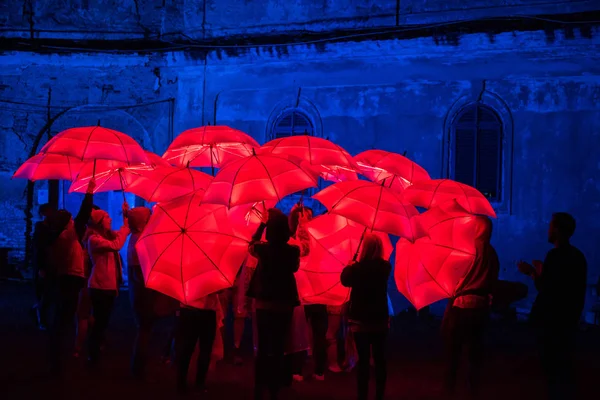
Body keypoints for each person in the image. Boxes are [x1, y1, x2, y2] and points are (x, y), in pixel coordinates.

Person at [518, 212, 587, 400]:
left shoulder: (555, 255)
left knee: (552, 369)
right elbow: (571, 288)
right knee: (564, 367)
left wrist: (533, 272)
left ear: (557, 230)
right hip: (568, 321)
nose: (548, 230)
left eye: (550, 226)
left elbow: (546, 288)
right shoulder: (578, 257)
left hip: (551, 323)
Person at [442, 216, 499, 399]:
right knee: (475, 352)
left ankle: (450, 389)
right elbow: (492, 281)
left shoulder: (467, 250)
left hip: (462, 306)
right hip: (481, 308)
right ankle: (473, 390)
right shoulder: (491, 253)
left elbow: (454, 278)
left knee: (454, 352)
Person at [247, 208, 301, 400]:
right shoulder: (293, 251)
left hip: (264, 302)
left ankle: (259, 387)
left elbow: (251, 244)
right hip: (284, 303)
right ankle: (275, 388)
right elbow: (295, 267)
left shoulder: (262, 249)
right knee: (279, 345)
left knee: (263, 346)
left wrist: (261, 224)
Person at [46, 180, 95, 374]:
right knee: (64, 319)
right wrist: (89, 193)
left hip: (63, 279)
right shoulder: (67, 236)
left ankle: (56, 356)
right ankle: (58, 359)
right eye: (70, 220)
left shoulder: (59, 236)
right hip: (70, 279)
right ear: (67, 223)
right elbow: (83, 216)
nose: (73, 221)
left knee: (62, 318)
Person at [128, 206, 178, 378]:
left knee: (145, 329)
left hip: (142, 293)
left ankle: (139, 367)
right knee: (144, 329)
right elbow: (138, 273)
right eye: (149, 218)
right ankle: (137, 369)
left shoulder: (137, 238)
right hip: (144, 294)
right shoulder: (138, 241)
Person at [341, 233, 391, 400]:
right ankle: (379, 395)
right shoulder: (385, 267)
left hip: (360, 320)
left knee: (363, 360)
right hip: (380, 320)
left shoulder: (357, 269)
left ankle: (362, 396)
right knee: (380, 359)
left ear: (364, 248)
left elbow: (344, 280)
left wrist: (350, 265)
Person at [85, 202, 130, 365]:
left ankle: (96, 348)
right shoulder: (94, 239)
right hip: (99, 286)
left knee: (103, 320)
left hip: (107, 286)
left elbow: (123, 232)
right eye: (106, 217)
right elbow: (117, 245)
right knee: (100, 321)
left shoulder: (106, 236)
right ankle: (92, 353)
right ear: (99, 222)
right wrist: (125, 227)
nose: (110, 218)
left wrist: (126, 215)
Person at [175, 293, 221, 394]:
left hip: (190, 309)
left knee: (188, 349)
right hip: (202, 311)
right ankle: (197, 383)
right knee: (202, 349)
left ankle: (183, 383)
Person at [32, 203, 56, 330]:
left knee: (47, 293)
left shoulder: (47, 228)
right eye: (48, 212)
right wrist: (40, 267)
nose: (50, 215)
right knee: (45, 293)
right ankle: (41, 318)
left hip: (48, 264)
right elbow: (39, 249)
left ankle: (39, 314)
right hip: (44, 265)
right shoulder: (41, 228)